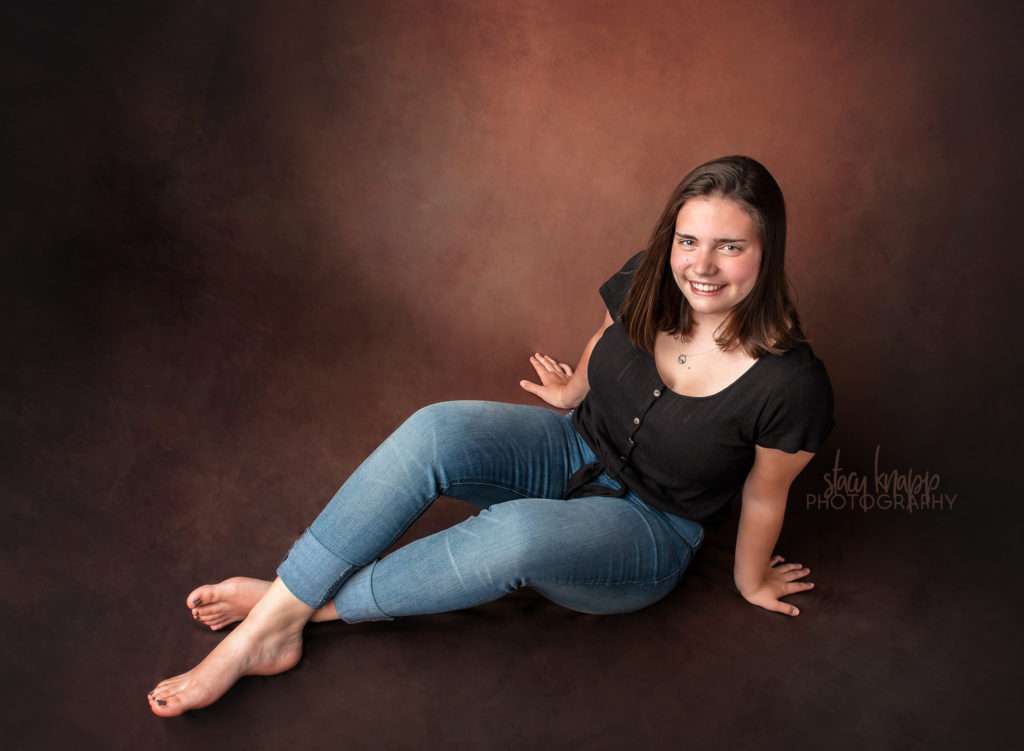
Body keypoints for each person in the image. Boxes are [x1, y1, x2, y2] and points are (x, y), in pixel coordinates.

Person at [148, 154, 835, 717]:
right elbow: (605, 334)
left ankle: (287, 616)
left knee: (517, 534)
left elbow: (764, 493)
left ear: (767, 251)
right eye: (688, 241)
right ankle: (284, 605)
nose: (701, 266)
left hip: (650, 529)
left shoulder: (791, 383)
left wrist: (749, 580)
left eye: (729, 247)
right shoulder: (652, 277)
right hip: (575, 445)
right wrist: (573, 392)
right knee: (436, 428)